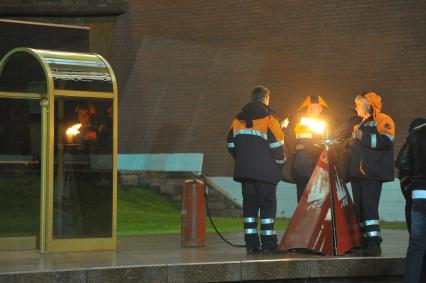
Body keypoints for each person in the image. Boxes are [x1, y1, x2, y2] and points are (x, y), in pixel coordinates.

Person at [226, 86, 285, 255]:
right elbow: (278, 147)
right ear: (266, 98)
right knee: (267, 207)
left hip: (245, 173)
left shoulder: (237, 120)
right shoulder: (269, 119)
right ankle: (269, 245)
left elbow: (230, 144)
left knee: (250, 208)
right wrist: (280, 164)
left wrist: (244, 160)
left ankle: (251, 245)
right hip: (266, 173)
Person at [349, 92, 395, 256]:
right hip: (358, 174)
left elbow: (386, 141)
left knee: (369, 209)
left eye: (358, 104)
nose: (356, 107)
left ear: (368, 104)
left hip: (371, 173)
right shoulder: (360, 123)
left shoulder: (383, 119)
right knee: (359, 209)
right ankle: (362, 244)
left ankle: (373, 245)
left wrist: (362, 137)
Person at [282, 95, 331, 202]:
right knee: (302, 197)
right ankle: (302, 218)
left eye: (316, 107)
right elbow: (289, 141)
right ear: (306, 109)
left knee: (318, 198)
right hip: (301, 166)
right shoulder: (298, 124)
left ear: (320, 109)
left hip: (319, 165)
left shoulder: (326, 124)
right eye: (310, 108)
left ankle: (316, 218)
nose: (313, 110)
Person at [395, 118, 426, 283]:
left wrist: (409, 187)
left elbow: (400, 162)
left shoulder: (416, 133)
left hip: (419, 193)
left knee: (416, 246)